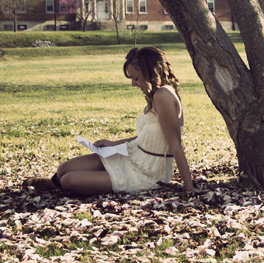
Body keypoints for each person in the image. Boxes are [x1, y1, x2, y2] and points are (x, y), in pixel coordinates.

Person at [23, 47, 197, 196]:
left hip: (147, 172)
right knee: (63, 169)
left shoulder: (163, 96)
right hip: (134, 155)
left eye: (135, 78)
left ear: (149, 72)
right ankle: (54, 183)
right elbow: (147, 138)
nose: (133, 84)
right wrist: (113, 144)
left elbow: (175, 144)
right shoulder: (157, 94)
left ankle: (63, 184)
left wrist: (189, 187)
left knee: (69, 180)